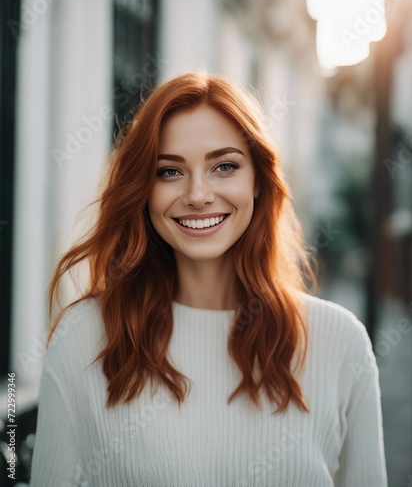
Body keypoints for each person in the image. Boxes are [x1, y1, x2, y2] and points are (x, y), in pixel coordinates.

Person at [30, 72, 387, 487]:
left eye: (224, 166)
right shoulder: (84, 337)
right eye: (169, 172)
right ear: (144, 191)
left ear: (258, 181)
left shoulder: (340, 342)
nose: (198, 194)